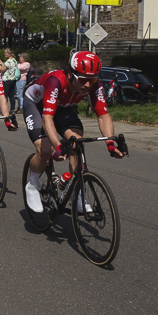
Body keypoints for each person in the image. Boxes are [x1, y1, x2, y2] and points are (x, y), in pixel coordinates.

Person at [22, 51, 123, 213]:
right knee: (46, 149)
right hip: (37, 104)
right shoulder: (55, 81)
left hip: (63, 106)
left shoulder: (92, 84)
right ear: (70, 74)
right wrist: (57, 145)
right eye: (83, 80)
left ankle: (77, 196)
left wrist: (110, 143)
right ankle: (32, 185)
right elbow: (47, 119)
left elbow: (103, 115)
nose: (88, 85)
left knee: (77, 144)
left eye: (92, 79)